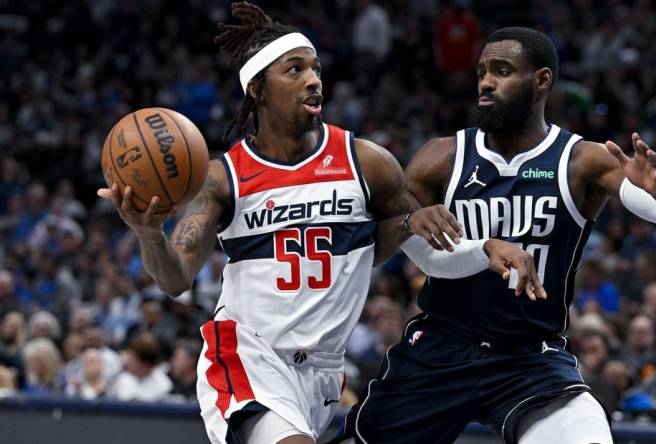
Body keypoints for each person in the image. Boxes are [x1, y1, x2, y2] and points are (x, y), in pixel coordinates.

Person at [98, 3, 533, 443]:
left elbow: (423, 248)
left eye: (316, 69)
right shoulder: (224, 178)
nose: (313, 80)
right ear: (258, 90)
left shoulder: (366, 161)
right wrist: (149, 233)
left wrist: (483, 248)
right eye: (294, 70)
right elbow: (175, 278)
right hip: (246, 357)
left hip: (323, 376)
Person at [336, 27, 656, 444]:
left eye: (502, 71)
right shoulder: (442, 157)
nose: (486, 82)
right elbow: (408, 251)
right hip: (441, 350)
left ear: (542, 80)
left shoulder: (583, 159)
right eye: (481, 73)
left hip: (528, 358)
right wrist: (476, 247)